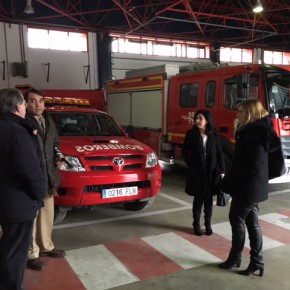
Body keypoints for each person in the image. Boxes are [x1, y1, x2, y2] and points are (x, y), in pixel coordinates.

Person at [219, 99, 275, 276]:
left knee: (236, 219)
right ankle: (256, 262)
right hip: (253, 186)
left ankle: (235, 257)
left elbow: (254, 164)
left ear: (250, 113)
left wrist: (230, 173)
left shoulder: (255, 133)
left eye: (241, 111)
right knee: (252, 222)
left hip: (248, 186)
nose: (238, 114)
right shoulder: (257, 130)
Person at [0, 88, 45, 290]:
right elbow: (30, 170)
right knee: (16, 252)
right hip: (18, 203)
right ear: (18, 106)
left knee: (7, 247)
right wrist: (39, 196)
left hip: (5, 201)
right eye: (25, 103)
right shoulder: (17, 132)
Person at [24, 88, 65, 271]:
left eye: (41, 101)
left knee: (47, 214)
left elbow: (55, 143)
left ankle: (46, 247)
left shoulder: (48, 121)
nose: (38, 104)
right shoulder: (22, 122)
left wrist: (59, 156)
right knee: (31, 217)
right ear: (25, 103)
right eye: (33, 101)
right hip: (32, 177)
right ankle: (31, 254)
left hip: (48, 176)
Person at [182, 110, 225, 236]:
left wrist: (222, 170)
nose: (197, 121)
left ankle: (208, 224)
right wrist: (191, 164)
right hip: (197, 172)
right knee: (198, 198)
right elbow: (185, 151)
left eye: (200, 118)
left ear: (207, 120)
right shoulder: (191, 134)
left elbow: (219, 152)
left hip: (211, 172)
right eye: (196, 118)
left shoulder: (213, 134)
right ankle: (196, 224)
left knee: (209, 199)